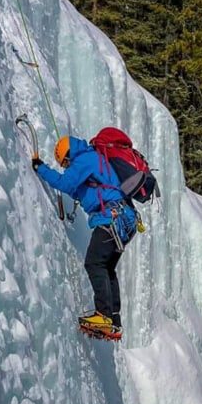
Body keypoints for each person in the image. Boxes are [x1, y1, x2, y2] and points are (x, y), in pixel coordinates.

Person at [32, 135, 138, 338]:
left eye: (65, 162)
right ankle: (114, 321)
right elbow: (82, 190)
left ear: (68, 155)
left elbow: (65, 183)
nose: (66, 166)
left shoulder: (84, 159)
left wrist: (41, 168)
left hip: (111, 218)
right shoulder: (93, 160)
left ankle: (104, 317)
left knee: (94, 263)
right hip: (124, 219)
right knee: (107, 267)